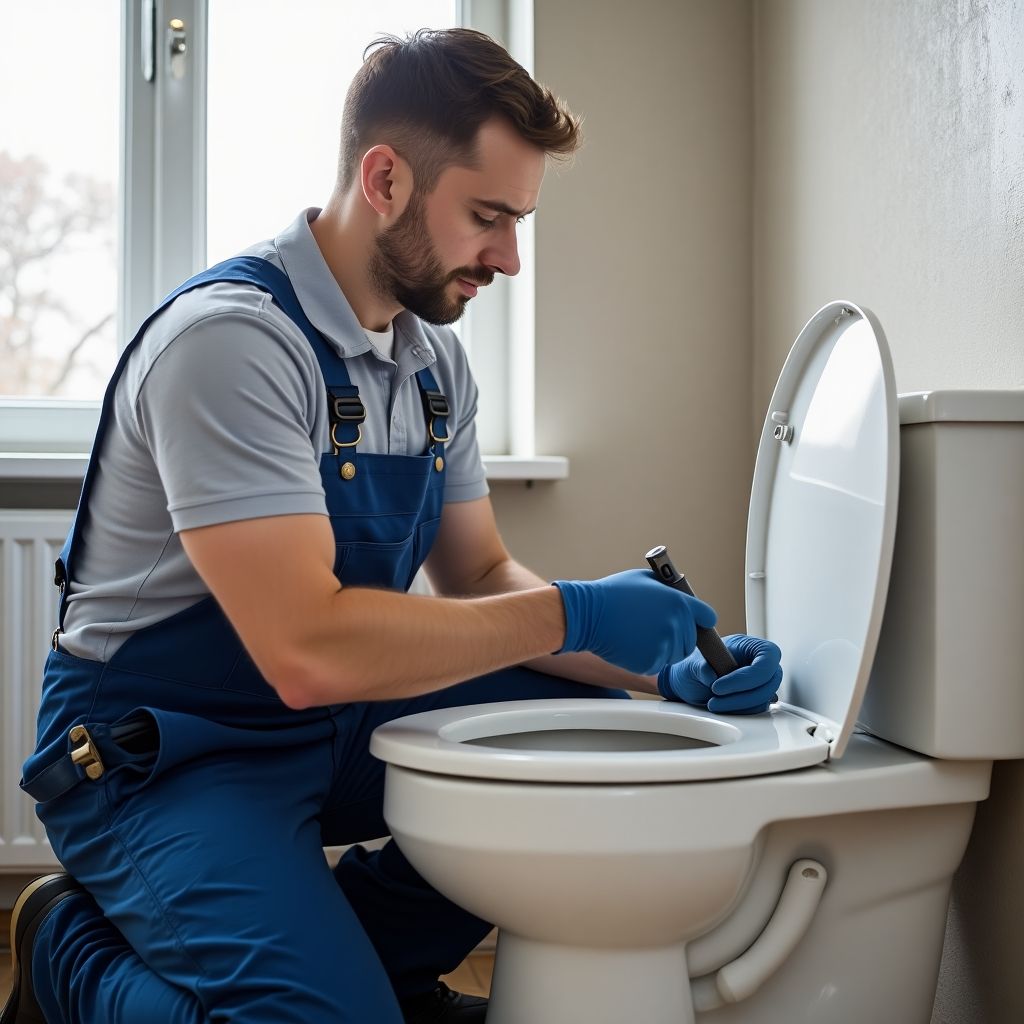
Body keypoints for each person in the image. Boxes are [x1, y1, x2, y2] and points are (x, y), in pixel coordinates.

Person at [2, 28, 781, 1024]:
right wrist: (581, 613)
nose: (506, 256)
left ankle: (363, 973)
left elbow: (481, 571)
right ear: (384, 178)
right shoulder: (232, 346)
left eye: (518, 222)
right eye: (487, 217)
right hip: (167, 749)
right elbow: (306, 648)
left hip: (331, 719)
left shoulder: (431, 365)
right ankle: (70, 951)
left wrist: (663, 671)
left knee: (565, 768)